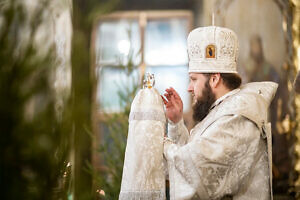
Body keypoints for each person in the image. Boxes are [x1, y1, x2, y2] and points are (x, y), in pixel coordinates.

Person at [162, 26, 277, 200]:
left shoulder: (238, 118)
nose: (189, 87)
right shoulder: (222, 111)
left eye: (194, 79)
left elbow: (198, 170)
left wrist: (157, 142)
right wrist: (177, 123)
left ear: (214, 79)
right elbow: (195, 155)